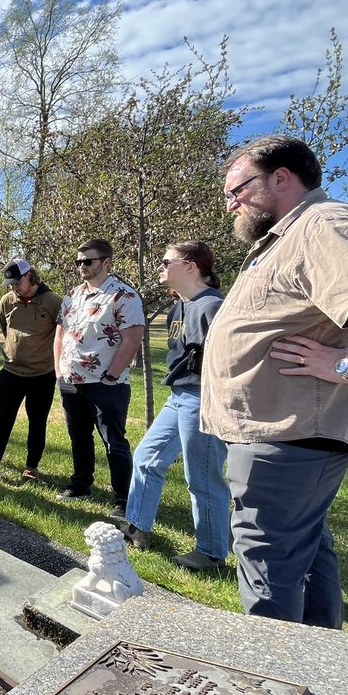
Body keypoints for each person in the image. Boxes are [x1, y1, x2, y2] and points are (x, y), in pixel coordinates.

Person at [201, 135, 348, 628]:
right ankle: (323, 661)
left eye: (237, 191)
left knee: (268, 563)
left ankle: (273, 668)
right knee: (303, 555)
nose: (231, 205)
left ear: (280, 178)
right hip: (282, 432)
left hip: (289, 435)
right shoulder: (289, 236)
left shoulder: (322, 224)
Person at [120, 241, 229, 571]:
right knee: (146, 457)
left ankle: (211, 552)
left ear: (191, 267)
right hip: (179, 395)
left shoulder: (214, 307)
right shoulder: (178, 307)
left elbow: (229, 362)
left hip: (204, 398)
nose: (160, 267)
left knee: (202, 476)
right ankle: (137, 527)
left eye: (167, 262)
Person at [54, 238, 145, 511]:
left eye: (88, 261)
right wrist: (59, 371)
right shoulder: (72, 295)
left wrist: (111, 377)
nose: (81, 266)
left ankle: (124, 500)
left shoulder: (123, 295)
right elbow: (60, 335)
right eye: (78, 261)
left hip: (107, 384)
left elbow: (132, 339)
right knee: (79, 437)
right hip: (71, 381)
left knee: (114, 442)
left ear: (106, 262)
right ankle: (81, 485)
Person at [0, 259, 63, 484]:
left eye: (17, 282)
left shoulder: (53, 302)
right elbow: (7, 330)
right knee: (1, 420)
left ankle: (31, 468)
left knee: (37, 422)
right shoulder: (6, 301)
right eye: (10, 284)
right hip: (11, 372)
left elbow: (61, 335)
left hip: (42, 374)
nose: (13, 287)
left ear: (30, 275)